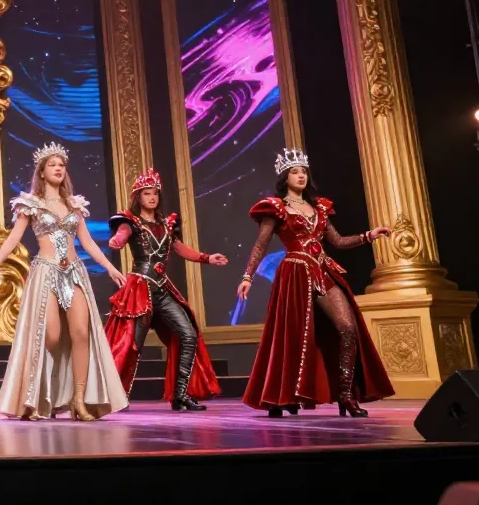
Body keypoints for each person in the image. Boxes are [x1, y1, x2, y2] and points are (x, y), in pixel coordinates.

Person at [237, 148, 394, 417]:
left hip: (322, 271)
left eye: (304, 172)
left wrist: (369, 235)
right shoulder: (276, 208)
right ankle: (282, 396)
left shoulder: (320, 208)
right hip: (294, 274)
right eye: (295, 172)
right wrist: (247, 276)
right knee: (293, 337)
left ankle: (345, 395)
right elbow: (261, 245)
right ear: (285, 177)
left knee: (348, 328)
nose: (301, 176)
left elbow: (338, 241)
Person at [0, 142, 129, 421]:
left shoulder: (74, 204)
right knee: (51, 336)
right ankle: (39, 396)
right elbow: (13, 238)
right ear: (42, 171)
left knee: (81, 333)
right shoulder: (30, 204)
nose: (58, 168)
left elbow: (87, 242)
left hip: (74, 272)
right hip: (46, 272)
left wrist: (109, 267)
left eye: (62, 165)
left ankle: (78, 400)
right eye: (52, 165)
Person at [103, 168, 225, 411]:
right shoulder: (131, 222)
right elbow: (121, 235)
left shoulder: (166, 224)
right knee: (131, 344)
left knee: (188, 334)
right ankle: (114, 396)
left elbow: (180, 248)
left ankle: (180, 395)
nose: (152, 197)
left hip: (161, 288)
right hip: (139, 289)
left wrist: (207, 258)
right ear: (138, 197)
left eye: (155, 193)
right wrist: (116, 240)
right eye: (146, 193)